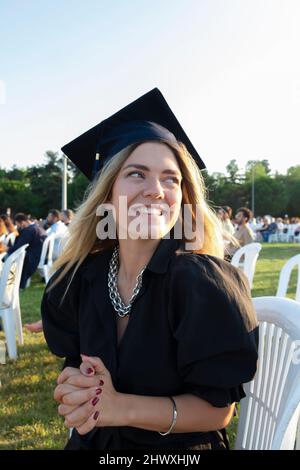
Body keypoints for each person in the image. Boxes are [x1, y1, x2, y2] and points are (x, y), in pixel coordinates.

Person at [41, 88, 259, 450]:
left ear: (183, 197)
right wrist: (75, 388)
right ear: (107, 194)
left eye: (171, 179)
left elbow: (218, 413)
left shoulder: (201, 284)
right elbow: (76, 367)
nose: (156, 190)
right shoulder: (84, 278)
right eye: (137, 174)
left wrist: (120, 408)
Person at [3, 213, 47, 288]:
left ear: (22, 222)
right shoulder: (38, 228)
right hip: (36, 256)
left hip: (30, 259)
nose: (18, 227)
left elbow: (19, 246)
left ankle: (6, 282)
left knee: (5, 257)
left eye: (18, 225)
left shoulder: (29, 231)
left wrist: (7, 249)